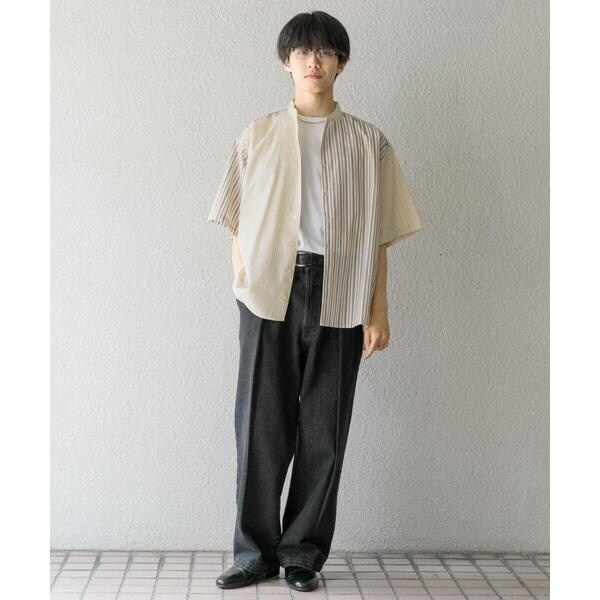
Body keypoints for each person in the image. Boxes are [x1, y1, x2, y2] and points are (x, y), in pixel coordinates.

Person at [207, 10, 425, 593]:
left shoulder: (369, 142)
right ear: (286, 61)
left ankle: (302, 554)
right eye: (302, 52)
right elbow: (234, 220)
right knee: (259, 425)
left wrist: (379, 310)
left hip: (342, 289)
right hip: (268, 294)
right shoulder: (256, 136)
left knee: (325, 430)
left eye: (325, 52)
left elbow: (380, 235)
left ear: (340, 63)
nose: (313, 62)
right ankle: (253, 554)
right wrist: (245, 282)